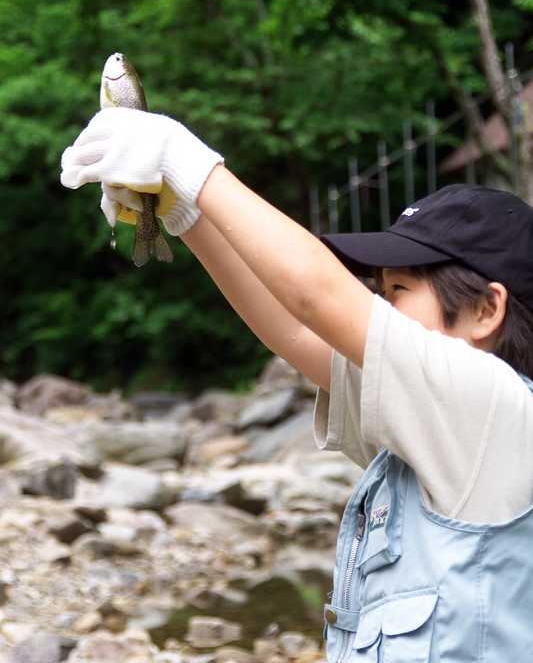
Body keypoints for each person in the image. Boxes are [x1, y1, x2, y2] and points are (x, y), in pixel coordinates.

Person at [61, 106, 533, 661]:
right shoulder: (433, 420)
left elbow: (319, 296)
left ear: (485, 310)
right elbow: (293, 328)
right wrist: (187, 215)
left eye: (399, 290)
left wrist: (186, 161)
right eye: (376, 291)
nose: (376, 307)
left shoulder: (493, 407)